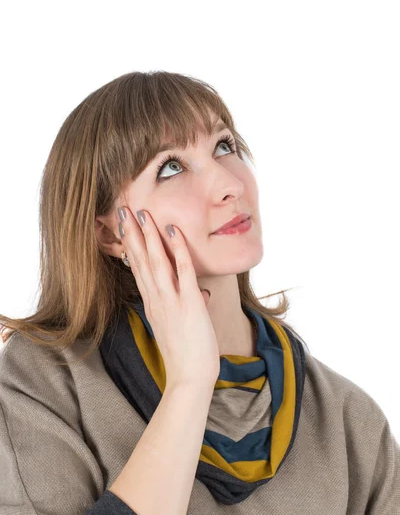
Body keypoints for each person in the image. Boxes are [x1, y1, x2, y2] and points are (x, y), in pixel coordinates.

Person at [0, 71, 399, 515]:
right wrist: (190, 384)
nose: (230, 185)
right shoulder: (46, 382)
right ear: (110, 234)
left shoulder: (348, 422)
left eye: (224, 146)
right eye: (171, 167)